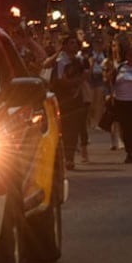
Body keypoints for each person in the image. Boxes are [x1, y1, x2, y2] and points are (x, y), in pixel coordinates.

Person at [46, 34, 90, 170]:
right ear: (64, 46)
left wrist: (78, 84)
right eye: (71, 43)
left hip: (76, 98)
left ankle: (70, 158)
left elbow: (86, 74)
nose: (74, 46)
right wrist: (71, 84)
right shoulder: (60, 61)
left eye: (75, 43)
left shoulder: (80, 60)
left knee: (74, 129)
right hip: (62, 98)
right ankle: (62, 158)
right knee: (62, 129)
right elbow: (60, 80)